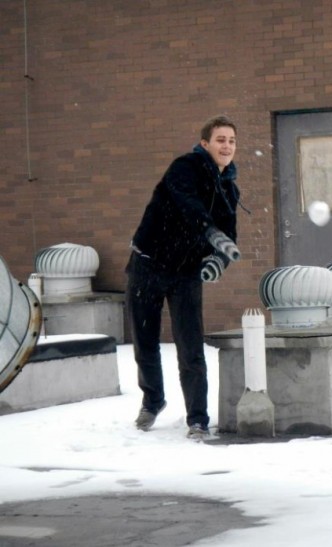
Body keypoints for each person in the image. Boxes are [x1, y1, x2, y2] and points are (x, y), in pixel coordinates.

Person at [126, 115, 244, 439]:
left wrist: (218, 260)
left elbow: (230, 235)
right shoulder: (184, 168)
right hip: (147, 264)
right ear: (205, 144)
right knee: (145, 343)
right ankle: (153, 401)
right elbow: (186, 204)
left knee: (190, 347)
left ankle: (197, 419)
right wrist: (209, 230)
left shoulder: (228, 190)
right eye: (220, 139)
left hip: (186, 274)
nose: (227, 146)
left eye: (232, 141)